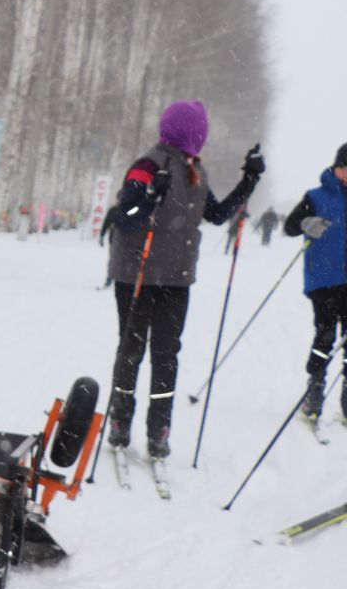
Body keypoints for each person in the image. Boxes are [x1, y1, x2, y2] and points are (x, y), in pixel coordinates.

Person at [102, 100, 263, 459]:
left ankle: (159, 426)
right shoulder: (148, 165)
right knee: (131, 348)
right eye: (200, 130)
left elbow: (218, 215)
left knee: (166, 354)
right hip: (137, 273)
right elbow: (123, 215)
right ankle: (120, 420)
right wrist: (148, 199)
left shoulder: (196, 173)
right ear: (191, 132)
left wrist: (248, 182)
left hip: (175, 279)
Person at [284, 145, 347, 422]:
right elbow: (289, 226)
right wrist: (306, 222)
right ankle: (315, 392)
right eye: (345, 169)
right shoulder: (315, 196)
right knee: (325, 334)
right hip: (323, 279)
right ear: (336, 167)